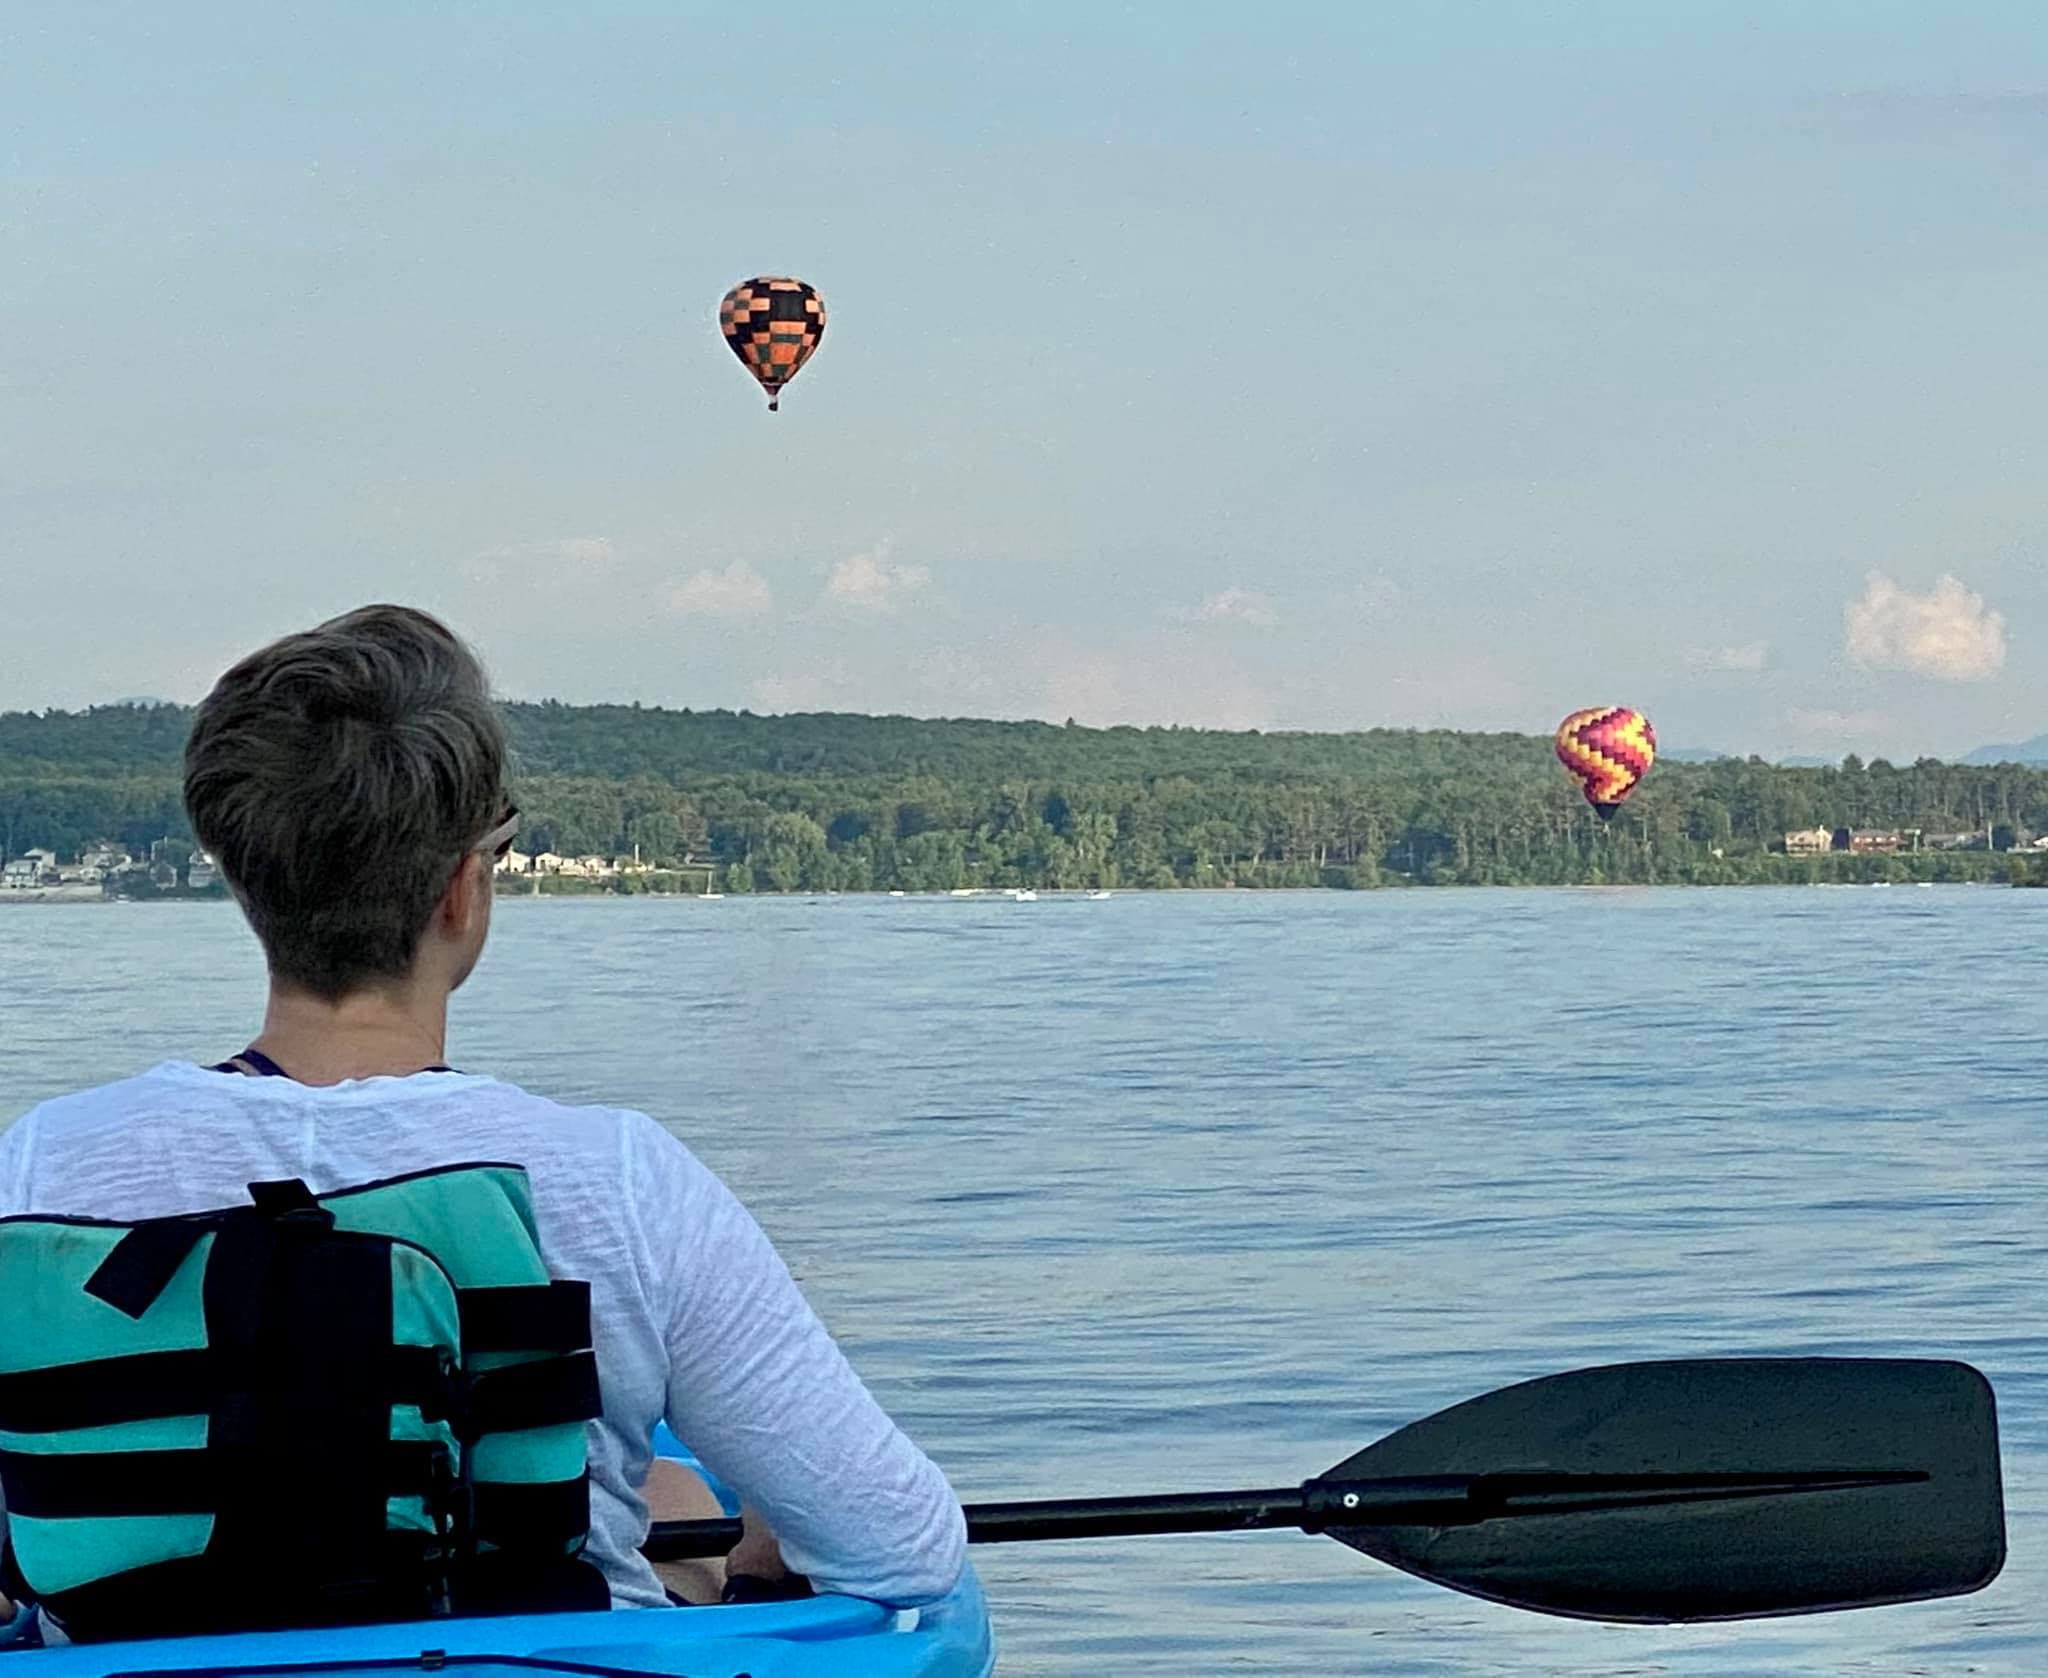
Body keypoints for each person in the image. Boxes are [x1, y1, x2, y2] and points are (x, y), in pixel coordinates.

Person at [0, 605, 965, 1638]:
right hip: (539, 1656)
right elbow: (902, 1549)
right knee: (688, 1511)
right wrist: (764, 1560)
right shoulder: (619, 1178)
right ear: (464, 886)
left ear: (240, 876)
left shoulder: (39, 1167)